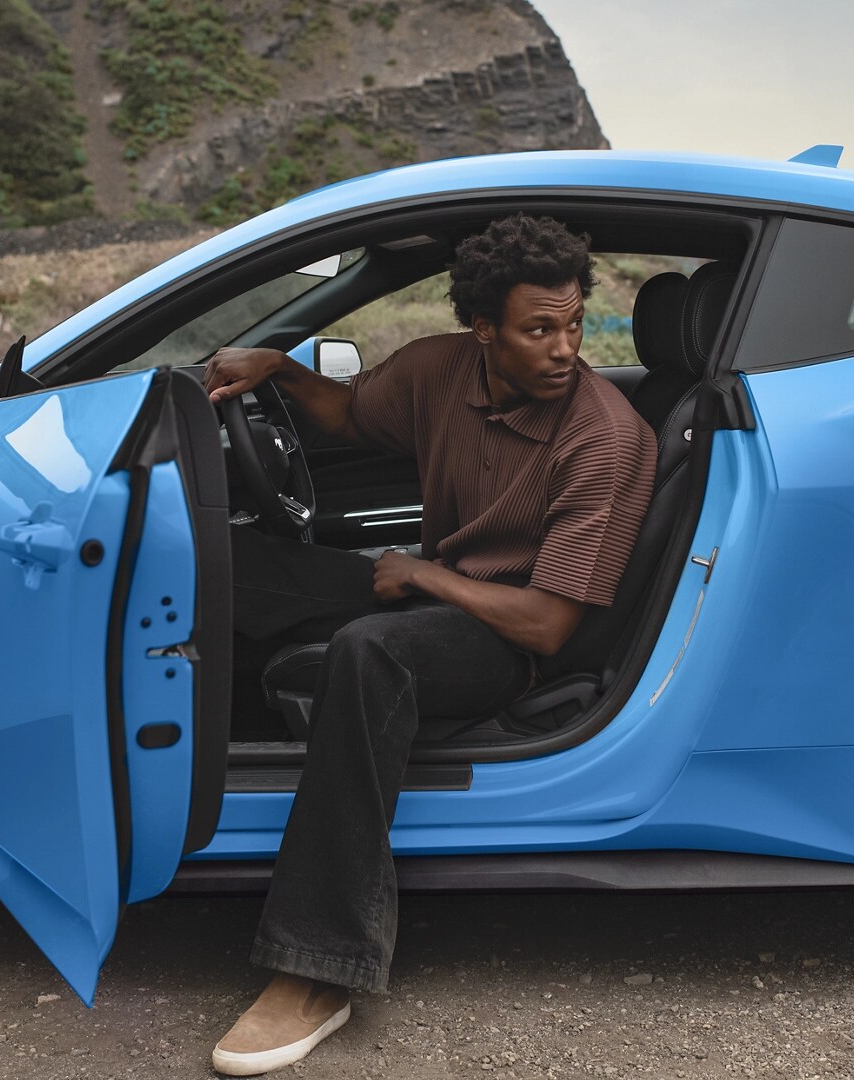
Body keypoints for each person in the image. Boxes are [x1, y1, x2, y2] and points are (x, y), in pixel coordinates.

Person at [202, 214, 656, 1076]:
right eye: (539, 330)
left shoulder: (605, 437)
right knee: (234, 568)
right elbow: (348, 416)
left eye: (572, 325)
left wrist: (423, 577)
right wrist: (278, 369)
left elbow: (548, 624)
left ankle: (319, 967)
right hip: (436, 588)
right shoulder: (439, 369)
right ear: (483, 329)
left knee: (371, 650)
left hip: (509, 641)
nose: (565, 349)